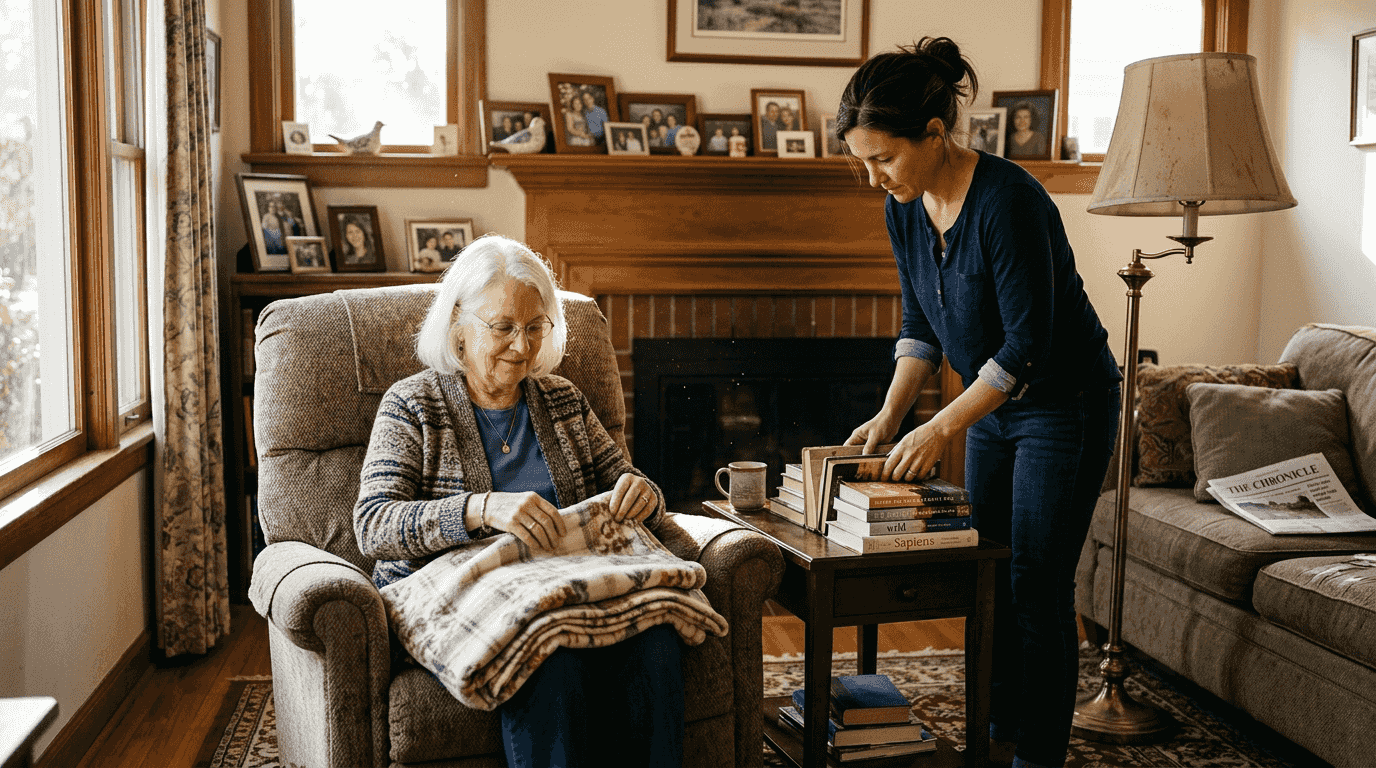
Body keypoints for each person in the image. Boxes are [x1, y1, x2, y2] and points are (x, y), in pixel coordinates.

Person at [835, 37, 1122, 768]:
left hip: (1063, 407)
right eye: (862, 163)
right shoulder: (905, 205)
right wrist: (892, 415)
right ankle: (995, 736)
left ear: (934, 133)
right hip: (991, 408)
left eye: (883, 159)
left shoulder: (1009, 201)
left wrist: (940, 426)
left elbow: (1026, 344)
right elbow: (920, 325)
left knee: (1037, 585)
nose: (873, 179)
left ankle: (1037, 757)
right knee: (988, 578)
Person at [354, 235, 683, 768]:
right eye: (503, 327)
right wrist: (481, 509)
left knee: (659, 641)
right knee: (551, 657)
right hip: (470, 599)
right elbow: (374, 524)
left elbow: (626, 480)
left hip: (566, 589)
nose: (522, 346)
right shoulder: (412, 405)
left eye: (534, 327)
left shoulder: (562, 400)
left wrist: (642, 493)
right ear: (459, 324)